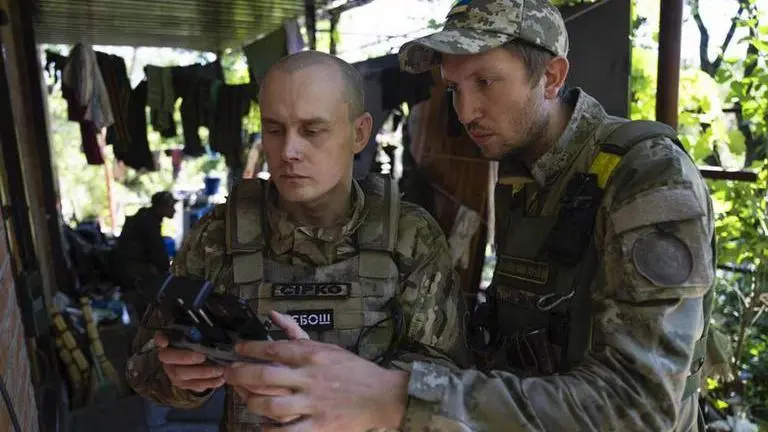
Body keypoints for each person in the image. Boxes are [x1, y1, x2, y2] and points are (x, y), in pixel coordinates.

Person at [227, 1, 717, 431]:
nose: (465, 111)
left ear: (551, 77)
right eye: (455, 88)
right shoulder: (526, 175)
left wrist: (393, 396)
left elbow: (641, 408)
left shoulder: (646, 176)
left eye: (485, 82)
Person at [124, 50, 468, 431]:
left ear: (359, 133)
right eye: (274, 130)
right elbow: (143, 367)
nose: (288, 151)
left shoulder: (411, 237)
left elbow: (450, 386)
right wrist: (183, 378)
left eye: (312, 130)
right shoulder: (218, 236)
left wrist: (366, 395)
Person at [114, 190, 176, 318]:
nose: (174, 210)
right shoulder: (148, 222)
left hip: (128, 268)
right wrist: (169, 271)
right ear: (160, 207)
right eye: (170, 206)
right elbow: (158, 252)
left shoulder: (145, 217)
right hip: (134, 271)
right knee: (147, 305)